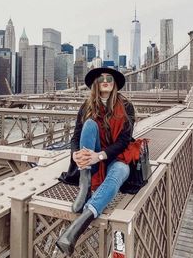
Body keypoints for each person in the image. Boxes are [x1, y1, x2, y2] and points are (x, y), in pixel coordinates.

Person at [56, 67, 141, 256]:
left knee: (118, 172)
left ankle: (77, 226)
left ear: (115, 83)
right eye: (101, 78)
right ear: (95, 83)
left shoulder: (126, 106)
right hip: (90, 162)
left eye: (109, 78)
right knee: (89, 124)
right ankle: (84, 185)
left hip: (116, 157)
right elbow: (75, 138)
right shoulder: (86, 106)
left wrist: (100, 155)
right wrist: (75, 154)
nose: (105, 80)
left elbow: (124, 141)